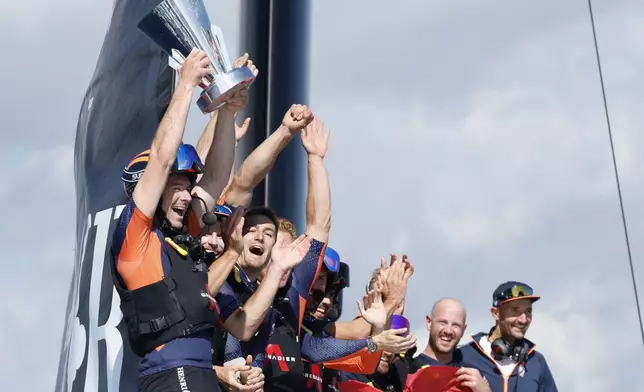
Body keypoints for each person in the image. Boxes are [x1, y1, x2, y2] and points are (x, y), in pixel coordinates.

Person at [110, 49, 310, 392]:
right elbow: (161, 158)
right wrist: (186, 84)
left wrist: (229, 107)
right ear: (151, 191)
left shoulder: (185, 246)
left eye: (188, 188)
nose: (187, 196)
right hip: (170, 375)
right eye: (176, 188)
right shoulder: (136, 237)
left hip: (200, 374)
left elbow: (216, 176)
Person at [460, 282, 558, 392]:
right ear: (496, 313)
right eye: (515, 311)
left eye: (528, 311)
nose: (523, 320)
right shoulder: (464, 356)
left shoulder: (536, 361)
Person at [415, 299, 490, 392]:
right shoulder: (409, 370)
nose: (448, 331)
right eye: (443, 322)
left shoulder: (472, 377)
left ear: (463, 330)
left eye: (456, 325)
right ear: (429, 322)